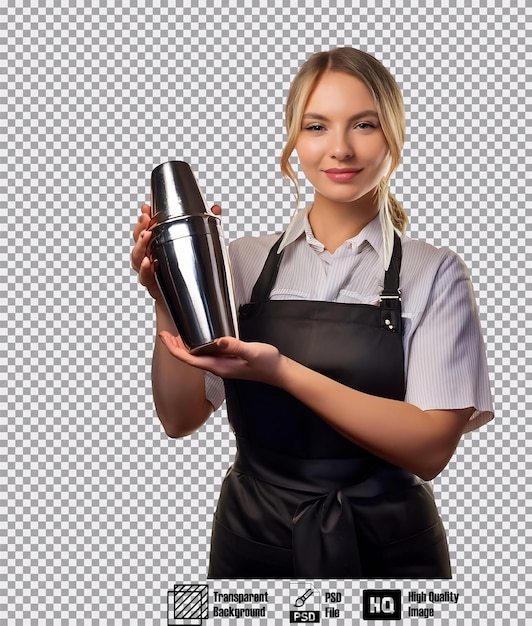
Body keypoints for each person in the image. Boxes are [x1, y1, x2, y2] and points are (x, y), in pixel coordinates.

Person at [131, 47, 494, 579]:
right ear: (293, 141)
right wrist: (169, 299)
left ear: (393, 135)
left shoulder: (433, 273)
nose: (340, 149)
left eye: (364, 125)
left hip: (390, 547)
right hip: (253, 539)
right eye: (317, 126)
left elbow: (430, 447)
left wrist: (282, 371)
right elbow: (180, 418)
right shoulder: (242, 262)